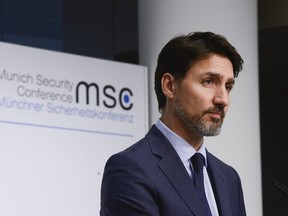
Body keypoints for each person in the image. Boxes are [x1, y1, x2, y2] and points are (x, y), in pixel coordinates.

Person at [100, 31, 246, 216]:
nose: (222, 99)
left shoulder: (229, 177)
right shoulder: (130, 169)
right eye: (208, 81)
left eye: (228, 87)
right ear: (169, 86)